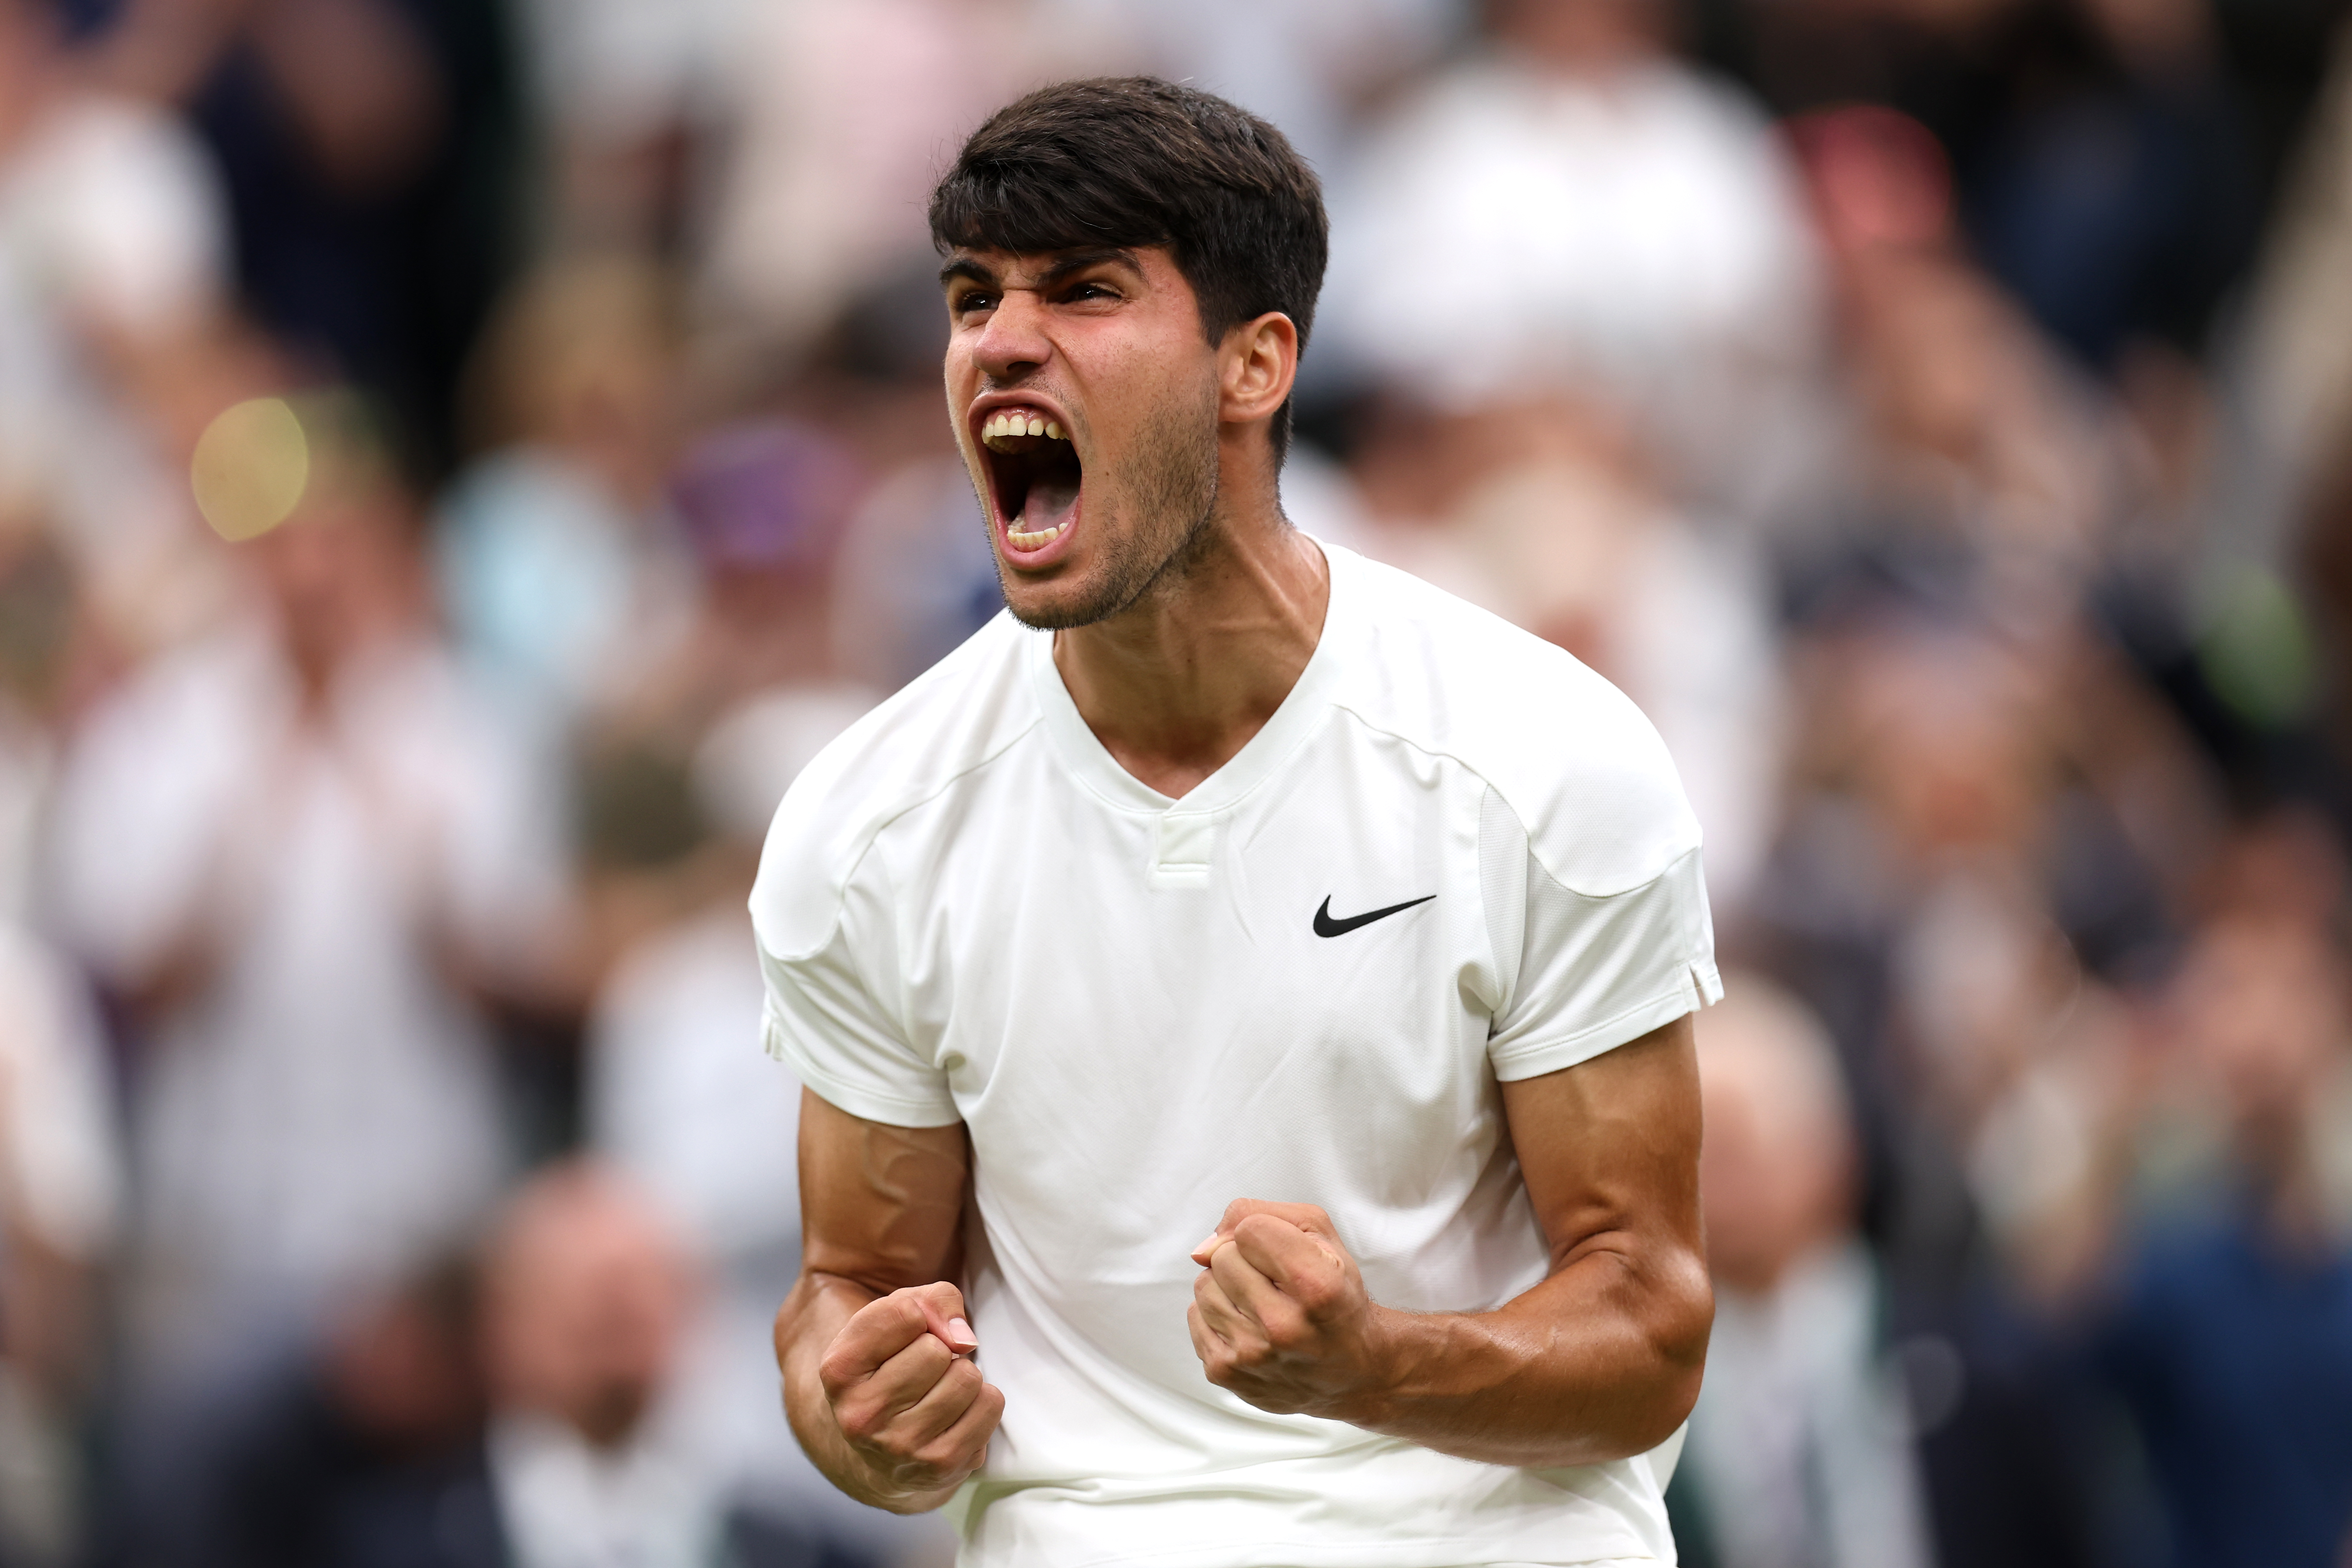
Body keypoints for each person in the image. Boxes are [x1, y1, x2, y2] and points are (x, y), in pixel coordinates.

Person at [754, 78, 1721, 1566]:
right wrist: (864, 1421)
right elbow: (852, 1291)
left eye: (1083, 292)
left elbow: (1649, 1330)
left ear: (1254, 364)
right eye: (972, 298)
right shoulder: (866, 826)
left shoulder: (1547, 762)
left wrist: (1372, 1363)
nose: (1001, 341)